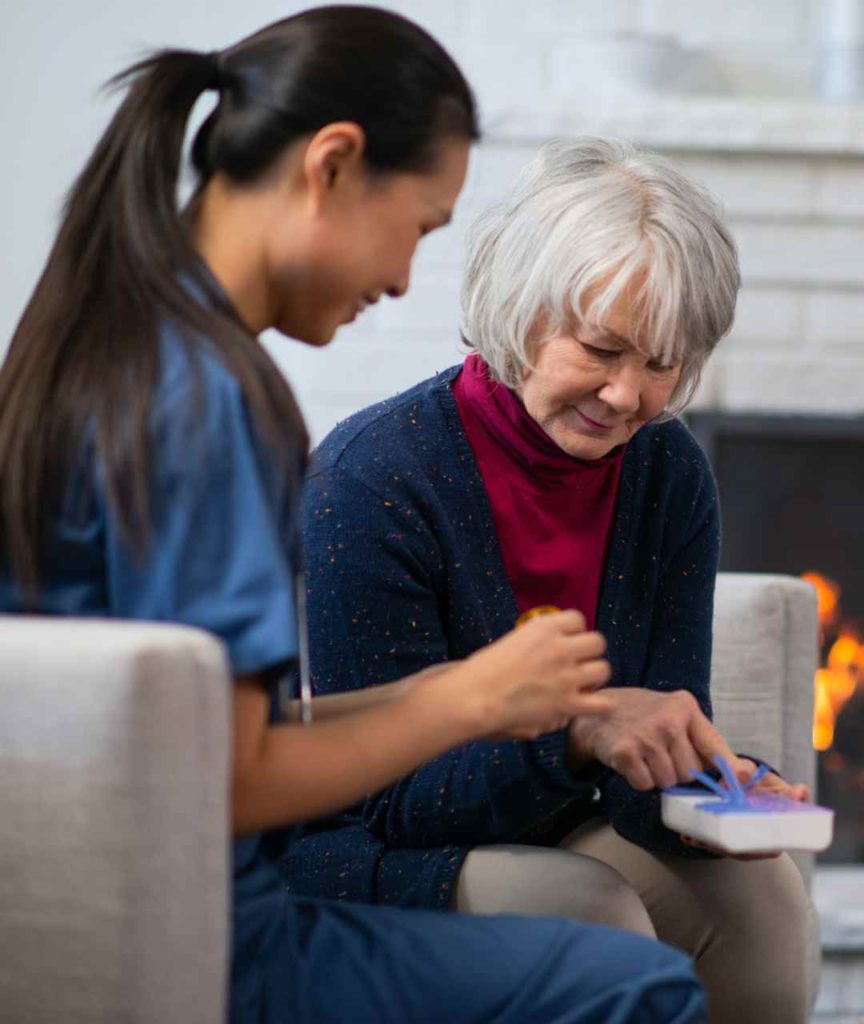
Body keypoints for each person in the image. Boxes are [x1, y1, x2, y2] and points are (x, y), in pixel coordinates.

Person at [0, 8, 708, 1024]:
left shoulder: (120, 340)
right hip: (217, 927)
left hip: (154, 890)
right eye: (418, 226)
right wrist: (465, 704)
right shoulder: (216, 402)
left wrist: (476, 690)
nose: (404, 280)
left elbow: (195, 728)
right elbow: (228, 781)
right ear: (332, 165)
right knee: (639, 984)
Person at [289, 137, 816, 1023]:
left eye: (663, 362)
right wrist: (575, 738)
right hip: (378, 854)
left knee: (763, 903)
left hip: (562, 825)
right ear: (518, 311)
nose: (626, 397)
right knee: (586, 913)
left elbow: (648, 758)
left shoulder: (668, 471)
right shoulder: (373, 479)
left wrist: (716, 794)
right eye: (601, 348)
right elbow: (380, 798)